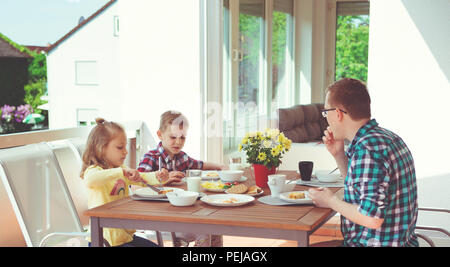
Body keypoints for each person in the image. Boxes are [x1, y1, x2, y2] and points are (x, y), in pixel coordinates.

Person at [308, 78, 418, 247]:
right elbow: (362, 190)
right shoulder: (386, 138)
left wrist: (330, 201)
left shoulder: (368, 150)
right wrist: (339, 155)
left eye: (326, 113)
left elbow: (371, 218)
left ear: (337, 113)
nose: (326, 118)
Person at [80, 118, 179, 247]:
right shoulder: (94, 171)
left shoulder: (120, 170)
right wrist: (121, 172)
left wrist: (158, 176)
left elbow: (141, 178)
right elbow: (91, 180)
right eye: (120, 147)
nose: (125, 152)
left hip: (124, 238)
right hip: (104, 241)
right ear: (101, 148)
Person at [138, 110, 226, 247]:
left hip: (185, 214)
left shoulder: (181, 157)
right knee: (205, 231)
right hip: (162, 219)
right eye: (173, 137)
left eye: (182, 138)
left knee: (215, 228)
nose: (178, 142)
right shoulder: (151, 157)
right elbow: (138, 183)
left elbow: (200, 165)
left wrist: (220, 166)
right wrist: (165, 180)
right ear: (160, 135)